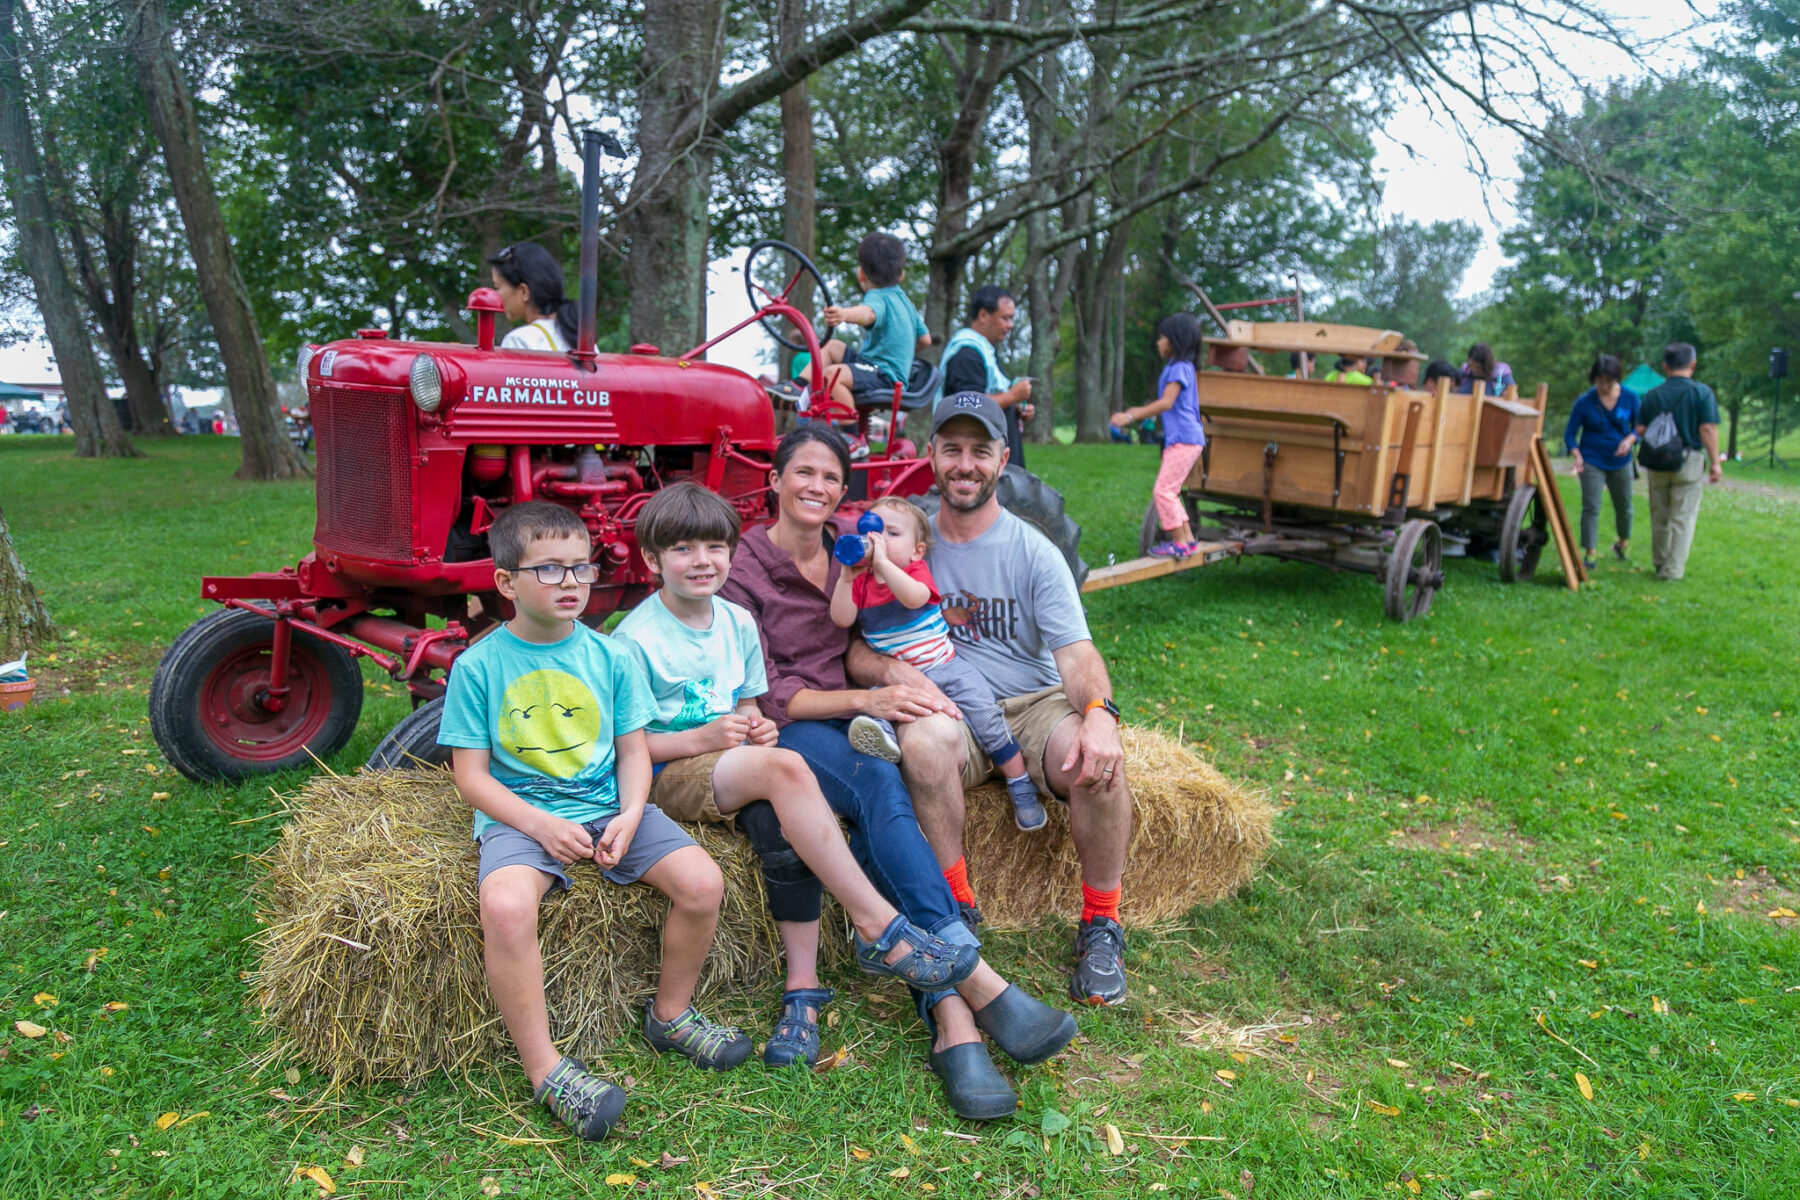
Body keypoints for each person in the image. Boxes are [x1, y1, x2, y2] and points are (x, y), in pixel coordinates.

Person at [719, 424, 1077, 1121]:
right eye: (804, 473)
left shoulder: (853, 544)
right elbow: (767, 694)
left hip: (857, 720)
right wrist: (870, 697)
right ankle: (975, 995)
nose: (818, 487)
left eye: (831, 477)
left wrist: (887, 680)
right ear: (774, 479)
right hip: (792, 723)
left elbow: (882, 624)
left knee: (884, 787)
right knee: (872, 787)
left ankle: (957, 1019)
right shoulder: (744, 570)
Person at [611, 484, 980, 1068]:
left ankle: (803, 991)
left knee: (780, 812)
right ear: (652, 561)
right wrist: (706, 738)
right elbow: (627, 746)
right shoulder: (633, 640)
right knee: (788, 766)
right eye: (682, 550)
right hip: (668, 769)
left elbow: (752, 703)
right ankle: (880, 926)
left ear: (730, 554)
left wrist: (755, 725)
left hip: (733, 762)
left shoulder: (734, 621)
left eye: (714, 547)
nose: (702, 561)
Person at [438, 501, 750, 1143]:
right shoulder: (478, 666)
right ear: (506, 583)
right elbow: (470, 776)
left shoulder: (612, 657)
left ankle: (671, 1013)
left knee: (703, 883)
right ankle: (545, 1068)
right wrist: (540, 826)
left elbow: (635, 752)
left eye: (580, 567)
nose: (572, 582)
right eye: (549, 570)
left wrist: (633, 812)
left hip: (609, 806)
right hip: (522, 819)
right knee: (505, 908)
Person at [860, 392, 1135, 1009]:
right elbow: (856, 645)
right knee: (923, 746)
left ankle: (1101, 924)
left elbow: (1078, 655)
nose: (965, 464)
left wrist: (1098, 717)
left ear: (1002, 459)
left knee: (1098, 767)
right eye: (951, 449)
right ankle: (956, 909)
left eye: (979, 451)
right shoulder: (901, 537)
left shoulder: (1033, 550)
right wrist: (892, 671)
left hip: (1031, 704)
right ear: (930, 455)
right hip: (948, 705)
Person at [830, 495, 1049, 832]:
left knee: (984, 714)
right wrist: (846, 577)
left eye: (891, 533)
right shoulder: (860, 582)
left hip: (946, 667)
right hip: (898, 682)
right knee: (879, 709)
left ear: (917, 550)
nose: (878, 540)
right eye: (872, 531)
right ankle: (884, 739)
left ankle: (1019, 783)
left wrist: (884, 563)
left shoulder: (916, 571)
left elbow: (914, 597)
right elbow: (842, 619)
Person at [1109, 314, 1205, 558]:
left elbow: (1166, 402)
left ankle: (1179, 544)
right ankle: (1188, 540)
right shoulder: (1176, 367)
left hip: (1185, 438)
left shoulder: (1181, 368)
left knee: (1163, 492)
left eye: (1162, 338)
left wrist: (1132, 416)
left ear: (1176, 340)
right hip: (1184, 438)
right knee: (1169, 491)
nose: (1158, 342)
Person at [816, 233, 931, 419]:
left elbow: (868, 313)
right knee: (831, 347)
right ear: (902, 275)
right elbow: (925, 340)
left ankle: (851, 435)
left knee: (830, 376)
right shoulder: (906, 303)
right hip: (875, 368)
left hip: (883, 374)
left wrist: (844, 314)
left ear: (861, 273)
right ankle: (798, 386)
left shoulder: (877, 295)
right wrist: (902, 350)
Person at [1635, 342, 1722, 581]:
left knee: (1659, 514)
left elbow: (1640, 428)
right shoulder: (1701, 393)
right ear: (1693, 364)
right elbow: (1707, 428)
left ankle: (1659, 561)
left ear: (1665, 366)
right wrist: (1715, 462)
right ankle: (1672, 570)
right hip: (1688, 460)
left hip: (1657, 462)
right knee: (1682, 517)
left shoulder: (1653, 395)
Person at [941, 286, 1034, 467]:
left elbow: (990, 399)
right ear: (983, 315)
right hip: (979, 465)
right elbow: (968, 405)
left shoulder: (986, 353)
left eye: (1011, 318)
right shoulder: (966, 354)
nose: (1010, 325)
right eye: (1005, 318)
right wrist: (1012, 396)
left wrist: (1015, 409)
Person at [1563, 354, 1640, 569]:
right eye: (1599, 381)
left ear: (1617, 379)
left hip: (1620, 459)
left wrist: (1631, 439)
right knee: (1591, 506)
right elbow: (1570, 434)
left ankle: (1622, 543)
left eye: (1609, 381)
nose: (1604, 386)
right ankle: (1590, 552)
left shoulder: (1630, 398)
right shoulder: (1584, 402)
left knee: (1624, 506)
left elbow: (1640, 426)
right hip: (1592, 459)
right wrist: (1577, 455)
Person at [488, 243, 578, 352]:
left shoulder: (519, 341)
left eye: (498, 287)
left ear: (524, 291)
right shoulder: (582, 340)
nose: (496, 295)